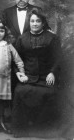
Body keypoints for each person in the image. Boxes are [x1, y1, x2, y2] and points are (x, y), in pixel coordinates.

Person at [12, 8, 61, 138]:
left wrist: (52, 73)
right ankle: (22, 131)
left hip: (46, 77)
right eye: (32, 21)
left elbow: (58, 58)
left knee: (50, 93)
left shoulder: (52, 38)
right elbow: (16, 59)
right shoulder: (22, 38)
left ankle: (44, 130)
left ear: (43, 23)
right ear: (30, 22)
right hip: (28, 76)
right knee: (19, 91)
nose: (34, 24)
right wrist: (18, 73)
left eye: (37, 21)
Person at [3, 0, 42, 91]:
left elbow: (44, 28)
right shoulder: (6, 12)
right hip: (11, 53)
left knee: (29, 87)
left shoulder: (37, 10)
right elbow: (3, 33)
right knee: (11, 85)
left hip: (31, 54)